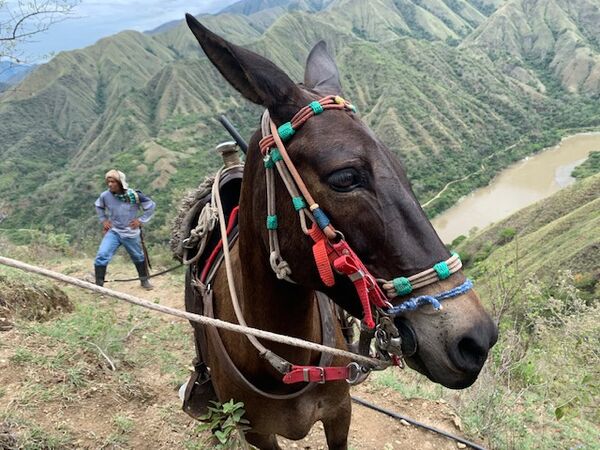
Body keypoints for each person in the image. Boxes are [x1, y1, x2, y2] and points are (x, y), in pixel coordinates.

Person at [94, 169, 156, 290]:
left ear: (120, 182)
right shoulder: (105, 196)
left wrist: (141, 220)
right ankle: (99, 286)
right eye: (108, 182)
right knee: (102, 255)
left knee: (138, 257)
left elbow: (151, 206)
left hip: (130, 233)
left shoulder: (135, 196)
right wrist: (104, 220)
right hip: (114, 231)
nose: (110, 184)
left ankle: (144, 281)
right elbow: (99, 206)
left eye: (113, 182)